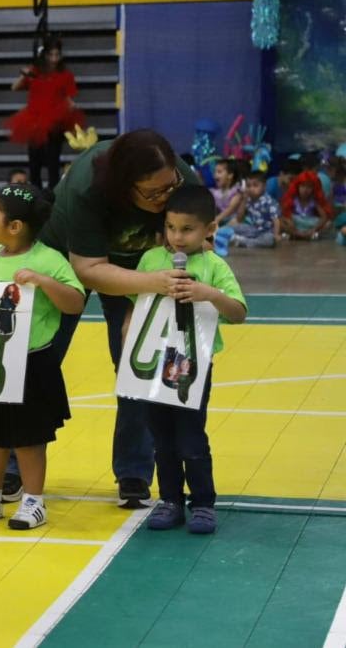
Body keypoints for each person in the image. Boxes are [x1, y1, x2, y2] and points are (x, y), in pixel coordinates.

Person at [14, 129, 201, 509]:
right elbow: (88, 269)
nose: (167, 197)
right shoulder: (87, 189)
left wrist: (142, 299)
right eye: (154, 193)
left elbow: (197, 245)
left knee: (137, 362)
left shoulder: (182, 182)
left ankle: (133, 471)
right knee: (37, 359)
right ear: (125, 187)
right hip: (66, 261)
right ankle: (14, 462)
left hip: (147, 267)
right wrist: (151, 284)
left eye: (171, 187)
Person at [0, 184, 85, 529]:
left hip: (32, 364)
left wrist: (44, 282)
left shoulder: (49, 260)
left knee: (29, 437)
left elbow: (75, 302)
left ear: (15, 226)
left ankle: (33, 501)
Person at [130, 186, 247, 534]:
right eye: (170, 228)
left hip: (194, 365)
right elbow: (136, 305)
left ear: (210, 228)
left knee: (190, 435)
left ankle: (203, 504)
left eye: (187, 229)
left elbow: (238, 312)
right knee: (161, 435)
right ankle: (169, 500)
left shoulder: (213, 266)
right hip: (154, 363)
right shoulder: (151, 261)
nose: (177, 238)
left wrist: (209, 294)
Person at [6, 36, 84, 189]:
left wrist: (72, 107)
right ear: (45, 55)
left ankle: (51, 196)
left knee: (52, 162)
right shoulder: (34, 72)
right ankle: (35, 193)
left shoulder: (66, 75)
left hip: (55, 122)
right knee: (34, 162)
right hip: (34, 121)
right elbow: (14, 87)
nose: (54, 59)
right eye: (51, 55)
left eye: (57, 55)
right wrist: (24, 75)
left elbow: (69, 98)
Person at [224, 171, 280, 248]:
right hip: (253, 229)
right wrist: (244, 200)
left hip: (266, 232)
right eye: (248, 186)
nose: (251, 189)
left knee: (269, 240)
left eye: (255, 185)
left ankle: (243, 241)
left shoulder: (269, 201)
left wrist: (276, 235)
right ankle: (233, 238)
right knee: (234, 227)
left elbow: (276, 220)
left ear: (264, 186)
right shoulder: (249, 200)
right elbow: (239, 218)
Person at [279, 170, 331, 240]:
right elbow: (284, 214)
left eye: (309, 187)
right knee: (281, 222)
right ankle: (299, 235)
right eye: (303, 186)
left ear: (313, 189)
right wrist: (290, 223)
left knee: (328, 224)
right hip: (295, 224)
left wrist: (314, 229)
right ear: (297, 186)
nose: (305, 190)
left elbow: (324, 217)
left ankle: (302, 235)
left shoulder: (314, 200)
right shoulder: (293, 198)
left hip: (309, 224)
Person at [210, 158, 243, 226]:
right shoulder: (216, 192)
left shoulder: (235, 191)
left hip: (232, 218)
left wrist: (217, 219)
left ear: (230, 175)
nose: (215, 175)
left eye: (219, 172)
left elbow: (230, 209)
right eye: (215, 172)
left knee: (234, 222)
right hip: (222, 220)